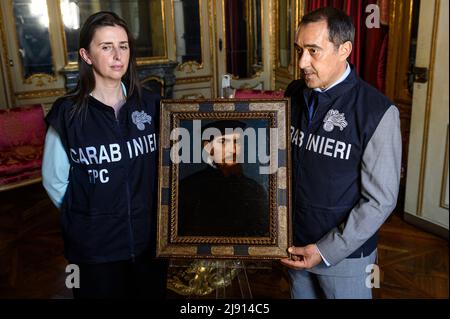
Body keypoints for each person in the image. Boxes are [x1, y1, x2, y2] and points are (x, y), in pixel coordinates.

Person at [42, 11, 167, 299]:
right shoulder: (68, 114)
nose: (117, 55)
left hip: (150, 240)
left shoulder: (150, 104)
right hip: (94, 249)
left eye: (123, 46)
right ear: (86, 55)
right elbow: (54, 180)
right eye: (106, 46)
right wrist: (89, 216)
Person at [281, 7, 401, 299]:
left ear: (344, 49)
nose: (302, 62)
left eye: (313, 50)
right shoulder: (293, 93)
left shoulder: (377, 111)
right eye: (299, 49)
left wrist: (325, 250)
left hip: (346, 258)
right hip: (294, 247)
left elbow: (381, 200)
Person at [178, 120, 269, 237]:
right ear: (207, 147)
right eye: (223, 141)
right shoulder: (187, 188)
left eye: (237, 141)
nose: (233, 150)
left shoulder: (255, 190)